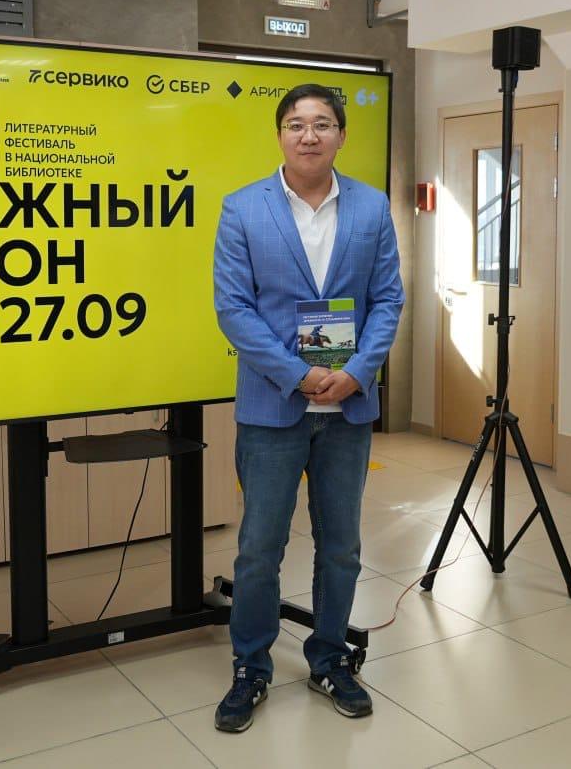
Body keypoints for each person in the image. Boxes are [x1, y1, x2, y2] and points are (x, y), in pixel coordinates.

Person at [212, 83, 404, 732]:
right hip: (273, 407)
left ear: (341, 135)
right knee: (258, 549)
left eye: (323, 123)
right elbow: (234, 309)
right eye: (296, 124)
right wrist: (300, 375)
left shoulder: (372, 207)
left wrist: (355, 374)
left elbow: (388, 299)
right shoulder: (243, 208)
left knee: (342, 547)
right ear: (280, 135)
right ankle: (250, 667)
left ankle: (329, 658)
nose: (310, 134)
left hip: (348, 410)